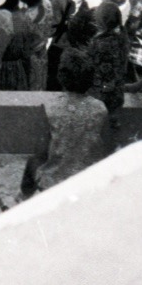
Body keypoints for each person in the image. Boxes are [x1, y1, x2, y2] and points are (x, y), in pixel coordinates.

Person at [23, 51, 110, 196]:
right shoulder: (100, 108)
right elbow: (105, 149)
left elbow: (39, 154)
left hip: (53, 184)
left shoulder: (50, 108)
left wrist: (26, 188)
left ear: (61, 76)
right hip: (85, 184)